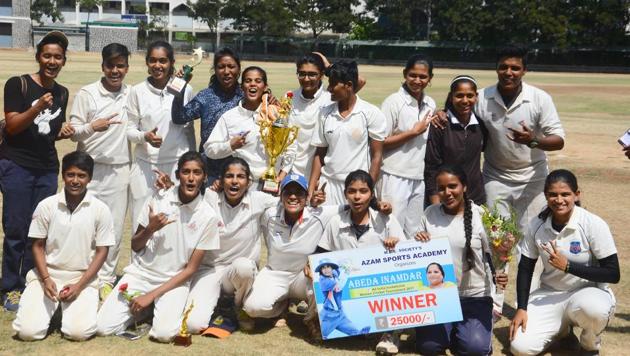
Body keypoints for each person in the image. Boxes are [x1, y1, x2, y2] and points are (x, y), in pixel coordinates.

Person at [96, 151, 219, 342]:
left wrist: (150, 296)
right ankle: (146, 311)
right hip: (141, 274)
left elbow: (191, 270)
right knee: (103, 327)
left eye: (197, 173)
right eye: (186, 172)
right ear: (178, 175)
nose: (191, 178)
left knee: (163, 334)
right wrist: (150, 229)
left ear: (204, 177)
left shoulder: (208, 216)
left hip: (174, 281)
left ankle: (152, 306)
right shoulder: (158, 198)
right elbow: (136, 246)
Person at [1, 30, 75, 311]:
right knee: (16, 228)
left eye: (57, 57)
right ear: (38, 57)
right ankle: (10, 287)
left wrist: (63, 131)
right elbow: (12, 127)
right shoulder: (17, 84)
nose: (52, 61)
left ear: (64, 61)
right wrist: (37, 107)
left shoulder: (62, 92)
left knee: (39, 230)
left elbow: (47, 131)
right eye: (47, 55)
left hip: (46, 168)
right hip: (17, 166)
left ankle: (31, 281)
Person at [510, 169, 619, 355]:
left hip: (587, 294)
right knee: (520, 348)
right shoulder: (537, 225)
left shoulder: (592, 224)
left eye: (565, 194)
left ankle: (589, 345)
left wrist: (568, 266)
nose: (559, 200)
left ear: (577, 195)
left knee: (595, 310)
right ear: (546, 196)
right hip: (550, 293)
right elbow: (525, 268)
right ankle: (562, 331)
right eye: (553, 194)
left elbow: (613, 273)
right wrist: (521, 308)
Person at [12, 151, 114, 341]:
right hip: (47, 276)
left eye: (81, 176)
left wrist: (80, 285)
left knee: (78, 333)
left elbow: (102, 251)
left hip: (82, 278)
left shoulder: (100, 209)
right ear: (63, 175)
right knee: (27, 333)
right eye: (70, 175)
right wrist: (45, 278)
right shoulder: (47, 205)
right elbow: (37, 245)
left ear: (90, 178)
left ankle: (62, 311)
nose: (75, 180)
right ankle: (52, 311)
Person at [414, 165, 508, 355]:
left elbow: (500, 257)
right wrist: (419, 239)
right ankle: (454, 330)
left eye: (452, 186)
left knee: (475, 349)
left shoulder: (482, 216)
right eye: (441, 188)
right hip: (440, 296)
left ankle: (475, 327)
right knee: (429, 347)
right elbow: (418, 256)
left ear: (464, 186)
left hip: (475, 297)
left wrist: (499, 289)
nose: (447, 192)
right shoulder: (429, 214)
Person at [476, 45, 565, 236]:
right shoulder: (481, 98)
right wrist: (441, 113)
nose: (509, 72)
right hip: (495, 178)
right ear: (496, 68)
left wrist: (533, 140)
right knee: (496, 237)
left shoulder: (539, 98)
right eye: (503, 67)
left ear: (524, 70)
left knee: (533, 237)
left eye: (515, 68)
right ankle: (499, 268)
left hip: (533, 178)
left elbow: (558, 140)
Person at [184, 157, 278, 337]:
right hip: (210, 270)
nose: (235, 181)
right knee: (192, 325)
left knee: (244, 266)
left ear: (249, 182)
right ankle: (219, 303)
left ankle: (237, 308)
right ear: (220, 180)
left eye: (240, 177)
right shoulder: (210, 197)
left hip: (239, 272)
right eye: (229, 176)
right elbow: (187, 192)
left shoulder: (259, 200)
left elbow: (290, 202)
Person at [317, 170, 405, 354]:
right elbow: (322, 255)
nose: (357, 197)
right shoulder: (335, 222)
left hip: (380, 288)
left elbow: (408, 257)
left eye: (363, 191)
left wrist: (395, 244)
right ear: (345, 194)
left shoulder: (387, 221)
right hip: (349, 291)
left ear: (372, 194)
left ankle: (389, 335)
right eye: (352, 191)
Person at [69, 43, 131, 300]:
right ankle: (78, 276)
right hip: (88, 170)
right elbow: (73, 130)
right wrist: (92, 127)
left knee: (114, 230)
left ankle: (105, 280)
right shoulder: (88, 93)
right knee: (83, 225)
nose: (115, 71)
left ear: (127, 67)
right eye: (110, 65)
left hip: (119, 169)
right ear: (102, 66)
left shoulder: (131, 93)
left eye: (120, 66)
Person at [242, 174, 336, 326]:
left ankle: (311, 320)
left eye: (299, 193)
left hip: (303, 276)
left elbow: (352, 206)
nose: (293, 197)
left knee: (323, 277)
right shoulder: (269, 215)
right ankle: (281, 308)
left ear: (307, 197)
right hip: (275, 273)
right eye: (288, 192)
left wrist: (379, 205)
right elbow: (244, 200)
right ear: (281, 196)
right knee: (252, 308)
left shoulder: (319, 214)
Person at [126, 40, 195, 231]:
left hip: (176, 164)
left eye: (163, 61)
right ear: (147, 62)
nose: (158, 66)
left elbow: (188, 129)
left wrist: (192, 161)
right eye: (153, 61)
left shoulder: (185, 89)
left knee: (174, 222)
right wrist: (144, 137)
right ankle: (139, 261)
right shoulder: (137, 91)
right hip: (145, 166)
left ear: (172, 62)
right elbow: (129, 129)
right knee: (141, 221)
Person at [309, 60, 387, 205]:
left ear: (349, 85)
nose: (329, 89)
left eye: (333, 84)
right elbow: (319, 155)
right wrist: (311, 189)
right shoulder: (324, 114)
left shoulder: (371, 113)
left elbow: (377, 156)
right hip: (328, 186)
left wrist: (367, 190)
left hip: (356, 188)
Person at [204, 66, 294, 185]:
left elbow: (291, 148)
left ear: (265, 87)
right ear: (242, 87)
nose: (252, 84)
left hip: (273, 182)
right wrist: (230, 145)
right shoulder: (229, 117)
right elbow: (209, 150)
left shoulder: (277, 113)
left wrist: (281, 176)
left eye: (258, 81)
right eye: (248, 81)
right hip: (242, 185)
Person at [379, 54, 436, 238]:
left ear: (430, 79)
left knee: (413, 233)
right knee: (391, 232)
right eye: (412, 75)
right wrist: (412, 133)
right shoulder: (393, 102)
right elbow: (380, 143)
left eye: (423, 77)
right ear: (405, 74)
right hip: (393, 175)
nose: (417, 80)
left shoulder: (430, 103)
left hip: (417, 177)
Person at [171, 47, 243, 184]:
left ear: (239, 70)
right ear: (215, 70)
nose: (226, 72)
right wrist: (180, 86)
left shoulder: (246, 97)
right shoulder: (206, 96)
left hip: (237, 173)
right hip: (209, 171)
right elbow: (179, 117)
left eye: (231, 67)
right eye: (221, 67)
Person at [425, 75, 486, 206]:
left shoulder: (480, 125)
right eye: (459, 95)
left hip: (475, 197)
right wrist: (435, 204)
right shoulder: (440, 125)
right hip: (446, 198)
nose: (465, 100)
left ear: (476, 96)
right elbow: (431, 167)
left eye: (470, 96)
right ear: (451, 96)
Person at [288, 53, 333, 179]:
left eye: (312, 74)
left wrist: (329, 67)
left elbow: (361, 81)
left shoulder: (331, 99)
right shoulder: (289, 97)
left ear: (322, 74)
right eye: (302, 74)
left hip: (319, 173)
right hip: (290, 170)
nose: (306, 79)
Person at [313, 258, 370, 340]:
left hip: (340, 315)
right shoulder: (323, 281)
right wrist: (347, 271)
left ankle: (360, 334)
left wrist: (347, 266)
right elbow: (339, 286)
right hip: (330, 316)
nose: (326, 270)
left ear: (331, 268)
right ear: (321, 271)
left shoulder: (334, 273)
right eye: (323, 268)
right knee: (321, 335)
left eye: (328, 267)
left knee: (355, 332)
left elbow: (340, 268)